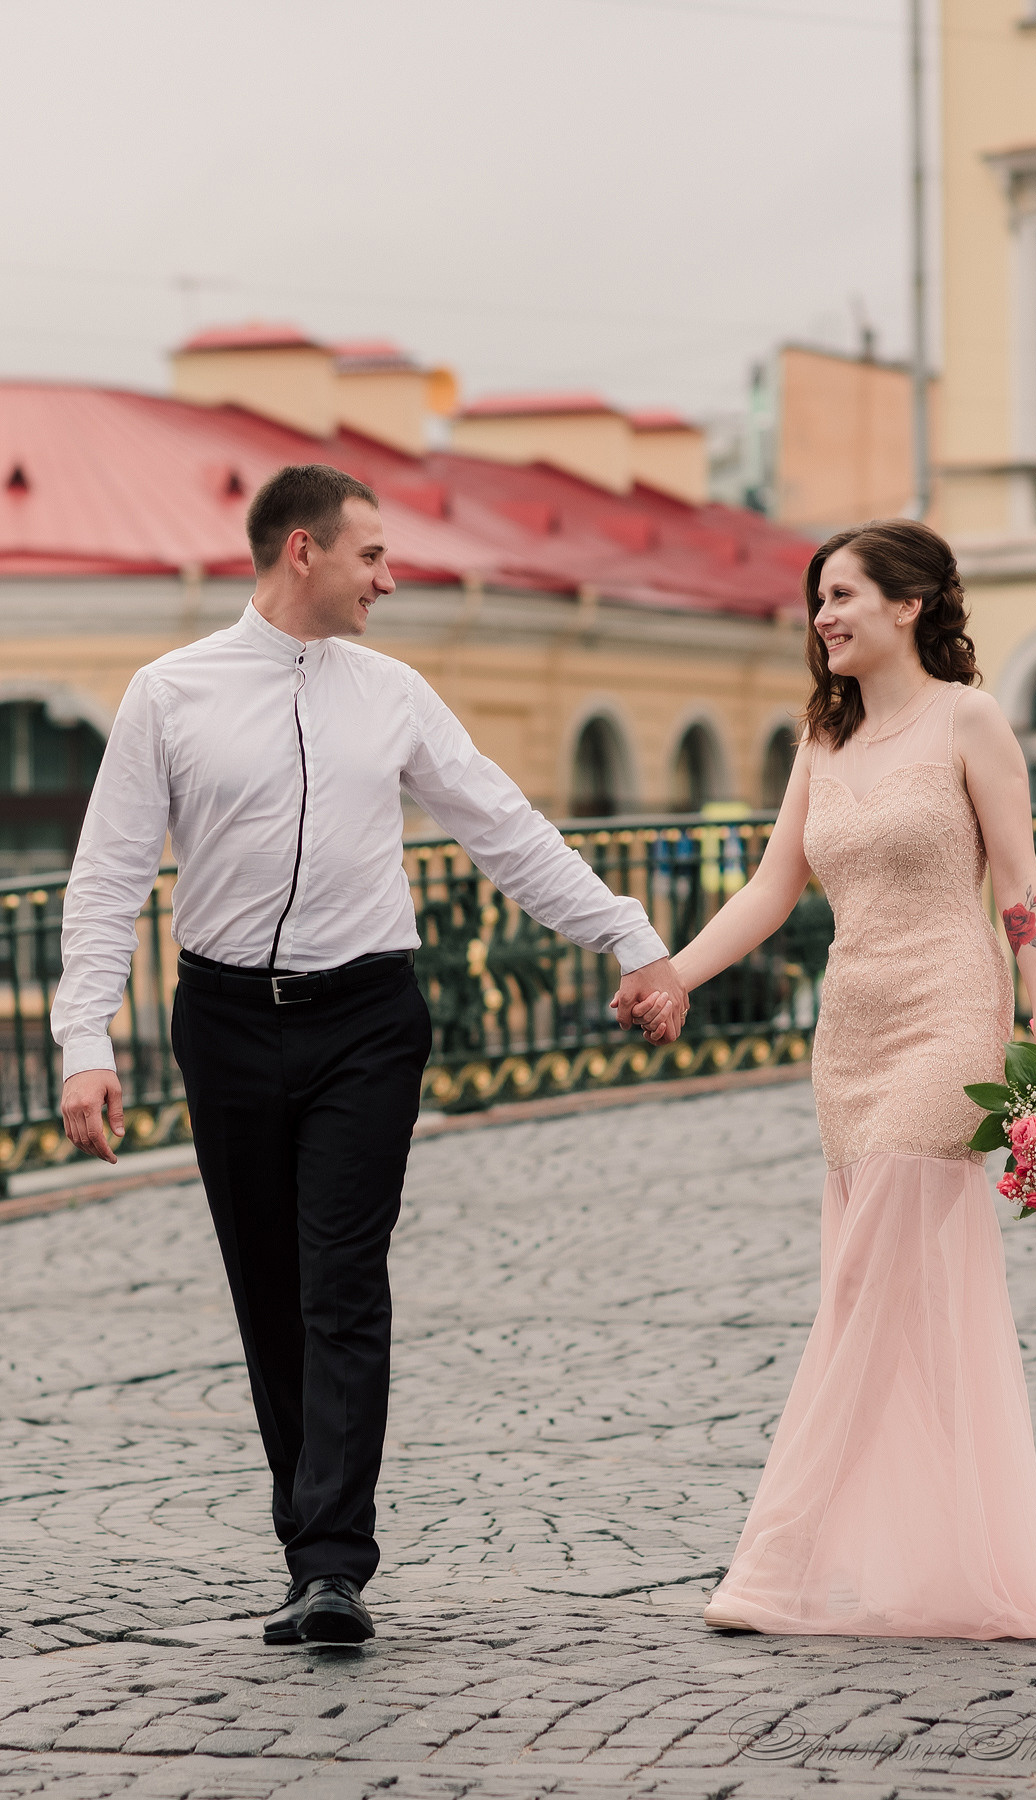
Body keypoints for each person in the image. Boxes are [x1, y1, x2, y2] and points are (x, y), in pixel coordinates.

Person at [53, 464, 687, 1648]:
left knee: (341, 1279)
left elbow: (503, 826)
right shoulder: (168, 694)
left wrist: (631, 938)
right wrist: (85, 1039)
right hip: (228, 1024)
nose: (389, 579)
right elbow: (106, 874)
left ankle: (334, 1563)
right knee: (268, 1290)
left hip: (367, 1021)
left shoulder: (393, 693)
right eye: (372, 558)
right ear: (303, 552)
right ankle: (310, 1545)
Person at [636, 519, 1036, 1641]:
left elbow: (1021, 888)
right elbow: (770, 889)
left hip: (949, 1018)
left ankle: (773, 1567)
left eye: (840, 595)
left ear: (908, 604)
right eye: (816, 600)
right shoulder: (820, 741)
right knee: (881, 1287)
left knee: (859, 1286)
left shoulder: (969, 720)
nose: (822, 616)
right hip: (849, 1034)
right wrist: (672, 974)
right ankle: (951, 1552)